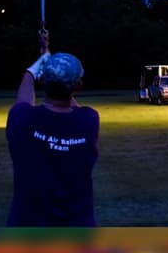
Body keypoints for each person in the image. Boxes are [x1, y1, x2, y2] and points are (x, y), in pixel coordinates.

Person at [7, 34, 99, 227]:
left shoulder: (22, 120)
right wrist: (49, 64)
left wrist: (38, 64)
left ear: (43, 82)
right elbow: (69, 100)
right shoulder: (89, 121)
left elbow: (24, 97)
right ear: (79, 86)